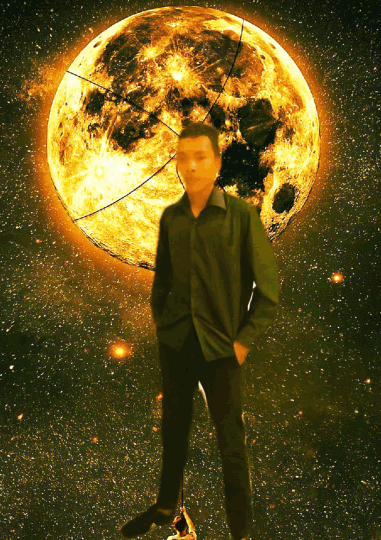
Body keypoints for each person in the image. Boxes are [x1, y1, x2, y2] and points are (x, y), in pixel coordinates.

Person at [120, 122, 280, 540]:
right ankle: (165, 508)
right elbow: (162, 282)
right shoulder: (171, 218)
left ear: (217, 163)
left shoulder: (242, 217)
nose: (190, 166)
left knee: (231, 444)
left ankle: (241, 531)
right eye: (183, 158)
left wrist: (242, 343)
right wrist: (164, 326)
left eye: (200, 157)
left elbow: (268, 292)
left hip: (222, 349)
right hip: (176, 344)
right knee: (174, 431)